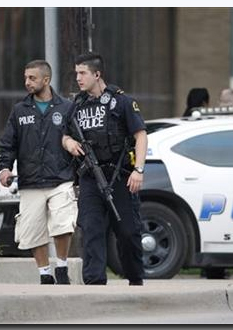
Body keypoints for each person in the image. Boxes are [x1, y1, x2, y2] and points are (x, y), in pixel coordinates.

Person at [62, 52, 147, 285]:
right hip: (90, 177)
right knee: (91, 231)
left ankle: (135, 279)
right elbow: (65, 135)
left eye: (83, 73)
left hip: (120, 176)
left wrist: (138, 170)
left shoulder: (122, 102)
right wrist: (69, 143)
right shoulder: (77, 105)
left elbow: (140, 135)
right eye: (76, 72)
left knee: (128, 232)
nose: (78, 78)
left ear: (97, 74)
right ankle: (94, 284)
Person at [0, 60, 77, 285]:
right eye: (26, 78)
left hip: (60, 178)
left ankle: (61, 268)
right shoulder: (19, 110)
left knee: (63, 223)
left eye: (32, 78)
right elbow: (8, 144)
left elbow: (78, 140)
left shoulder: (67, 108)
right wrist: (4, 168)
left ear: (46, 80)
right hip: (30, 181)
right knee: (32, 230)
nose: (27, 82)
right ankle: (44, 273)